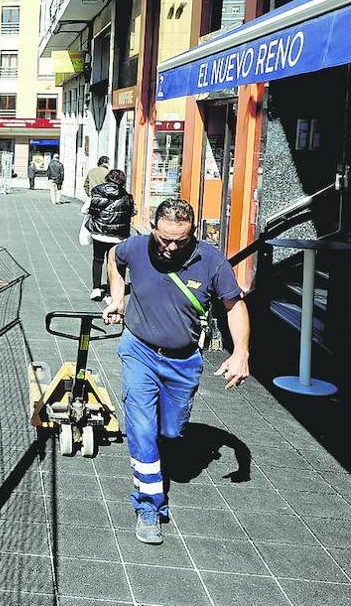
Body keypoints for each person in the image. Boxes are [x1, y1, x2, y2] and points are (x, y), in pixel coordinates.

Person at [103, 199, 250, 546]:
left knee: (170, 430)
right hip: (138, 350)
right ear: (152, 227)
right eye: (164, 238)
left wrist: (241, 351)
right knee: (140, 427)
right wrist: (117, 297)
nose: (170, 247)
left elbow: (234, 305)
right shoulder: (137, 247)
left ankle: (157, 448)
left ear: (192, 233)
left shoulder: (211, 260)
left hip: (183, 360)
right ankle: (150, 505)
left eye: (180, 241)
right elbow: (114, 258)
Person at [82, 168, 134, 301]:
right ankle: (111, 294)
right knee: (115, 263)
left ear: (107, 178)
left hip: (98, 233)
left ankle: (96, 289)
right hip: (117, 235)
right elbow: (134, 211)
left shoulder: (97, 192)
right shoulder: (127, 196)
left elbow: (84, 209)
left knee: (98, 260)